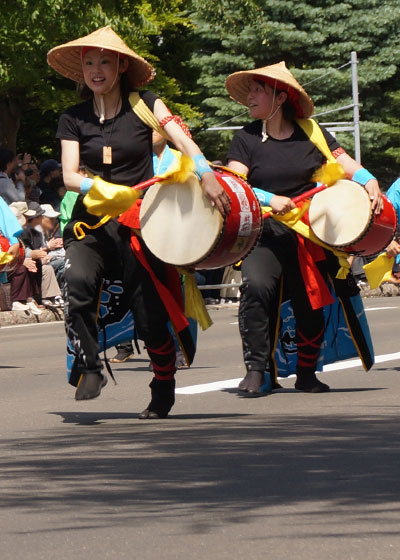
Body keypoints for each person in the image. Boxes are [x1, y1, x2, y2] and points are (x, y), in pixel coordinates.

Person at [47, 26, 230, 418]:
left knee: (149, 313)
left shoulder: (146, 104)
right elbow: (68, 175)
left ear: (121, 65)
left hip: (139, 222)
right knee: (77, 283)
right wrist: (100, 188)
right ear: (82, 70)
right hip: (89, 223)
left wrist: (205, 172)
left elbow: (182, 139)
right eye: (89, 63)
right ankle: (91, 366)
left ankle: (163, 379)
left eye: (105, 62)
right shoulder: (72, 118)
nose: (96, 70)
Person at [225, 61, 381, 395]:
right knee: (256, 289)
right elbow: (233, 184)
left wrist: (369, 181)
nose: (249, 96)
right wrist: (269, 198)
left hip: (308, 234)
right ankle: (256, 370)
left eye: (257, 90)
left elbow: (346, 164)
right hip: (264, 234)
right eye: (250, 89)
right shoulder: (246, 138)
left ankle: (306, 371)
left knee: (311, 301)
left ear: (279, 98)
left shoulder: (312, 132)